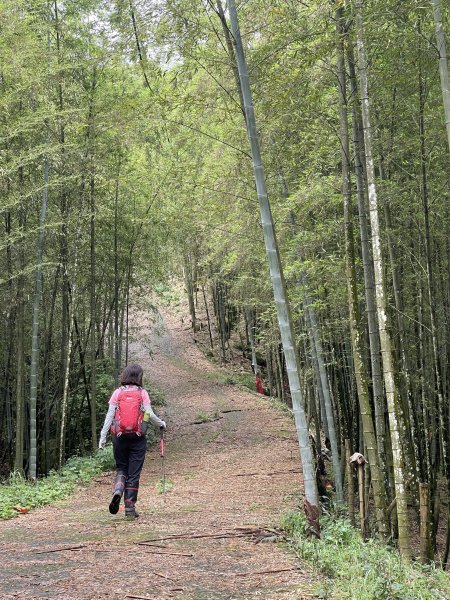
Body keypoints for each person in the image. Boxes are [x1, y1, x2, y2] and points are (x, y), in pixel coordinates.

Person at [98, 364, 166, 518]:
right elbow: (149, 414)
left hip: (119, 438)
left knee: (122, 468)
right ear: (138, 377)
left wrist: (102, 437)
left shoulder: (117, 393)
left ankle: (118, 490)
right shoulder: (142, 393)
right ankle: (129, 508)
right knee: (134, 474)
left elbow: (109, 416)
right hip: (137, 438)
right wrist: (161, 423)